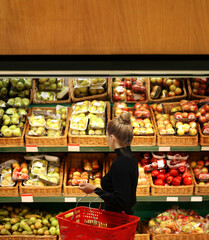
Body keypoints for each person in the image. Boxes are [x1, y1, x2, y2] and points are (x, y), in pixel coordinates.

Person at [79, 112, 139, 215]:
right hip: (124, 217)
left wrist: (95, 190)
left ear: (112, 138)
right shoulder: (131, 158)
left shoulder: (120, 163)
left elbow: (121, 201)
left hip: (117, 221)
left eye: (107, 136)